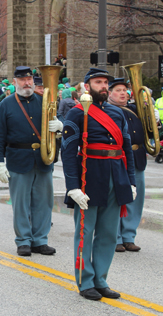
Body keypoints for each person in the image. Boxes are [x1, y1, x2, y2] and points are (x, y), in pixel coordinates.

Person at [61, 68, 136, 301]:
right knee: (85, 232)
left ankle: (101, 280)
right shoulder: (76, 113)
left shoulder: (117, 113)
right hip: (89, 176)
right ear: (87, 86)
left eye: (105, 82)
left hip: (116, 174)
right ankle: (85, 281)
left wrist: (131, 181)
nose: (103, 86)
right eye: (98, 82)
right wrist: (73, 186)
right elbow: (68, 151)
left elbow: (126, 150)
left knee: (108, 233)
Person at [0, 66, 62, 257]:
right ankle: (23, 240)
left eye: (29, 79)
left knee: (43, 203)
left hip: (43, 159)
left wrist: (60, 128)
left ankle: (40, 240)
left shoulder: (44, 102)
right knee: (21, 204)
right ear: (15, 82)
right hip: (18, 159)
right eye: (22, 80)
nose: (27, 83)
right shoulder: (6, 104)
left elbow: (55, 130)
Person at [105, 78, 145, 253]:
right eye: (118, 90)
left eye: (125, 90)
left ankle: (129, 236)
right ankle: (116, 237)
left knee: (136, 200)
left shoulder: (136, 110)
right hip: (119, 158)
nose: (123, 93)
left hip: (137, 157)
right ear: (109, 93)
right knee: (117, 198)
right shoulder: (107, 110)